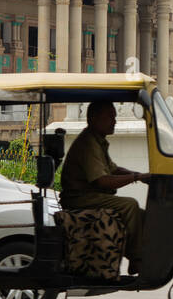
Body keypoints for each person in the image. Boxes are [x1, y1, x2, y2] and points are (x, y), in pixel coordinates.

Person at [59, 101, 150, 273]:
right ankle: (135, 258)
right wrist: (136, 177)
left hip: (89, 196)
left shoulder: (97, 140)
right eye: (109, 117)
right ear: (93, 118)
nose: (114, 121)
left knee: (143, 215)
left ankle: (143, 254)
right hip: (80, 199)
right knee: (129, 205)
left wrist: (142, 176)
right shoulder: (88, 143)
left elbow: (113, 169)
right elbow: (101, 180)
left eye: (114, 117)